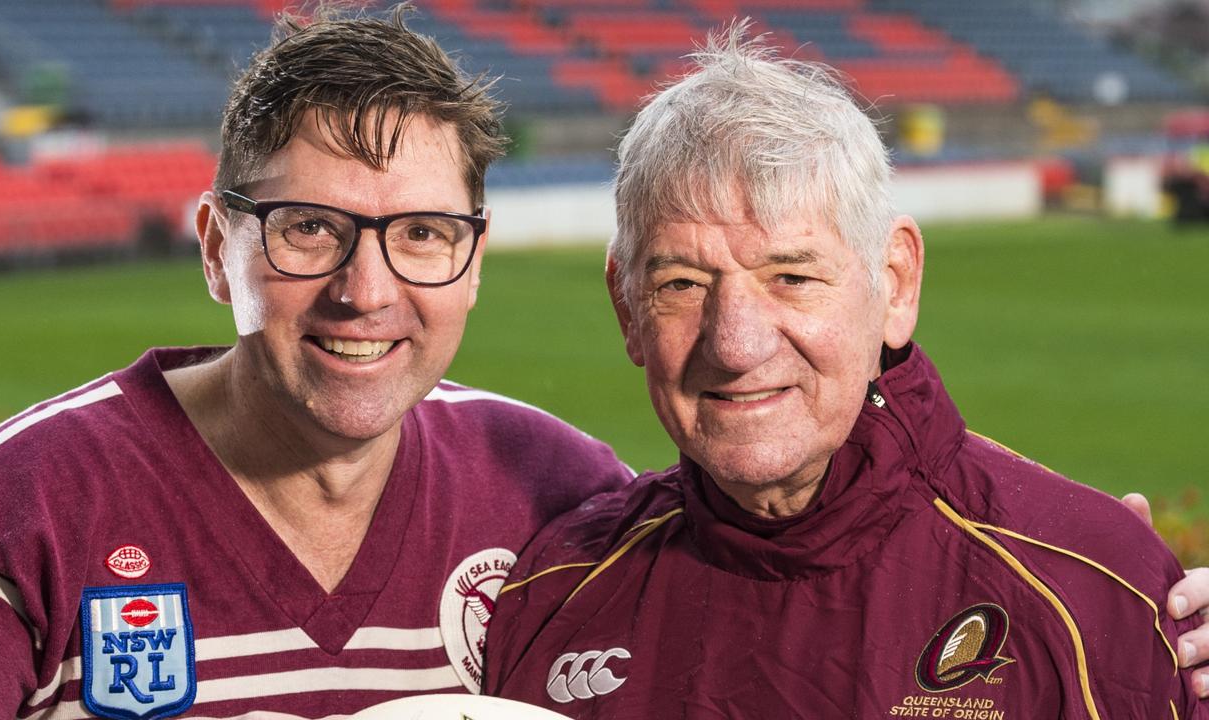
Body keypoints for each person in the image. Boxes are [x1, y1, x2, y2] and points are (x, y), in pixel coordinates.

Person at [484, 26, 1209, 718]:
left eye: (792, 277)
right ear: (626, 309)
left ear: (894, 283)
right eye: (681, 285)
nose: (735, 344)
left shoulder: (1093, 589)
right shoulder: (553, 591)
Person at [0, 7, 632, 718]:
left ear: (473, 263)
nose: (365, 293)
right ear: (214, 250)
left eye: (422, 233)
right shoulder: (14, 517)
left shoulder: (570, 496)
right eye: (310, 228)